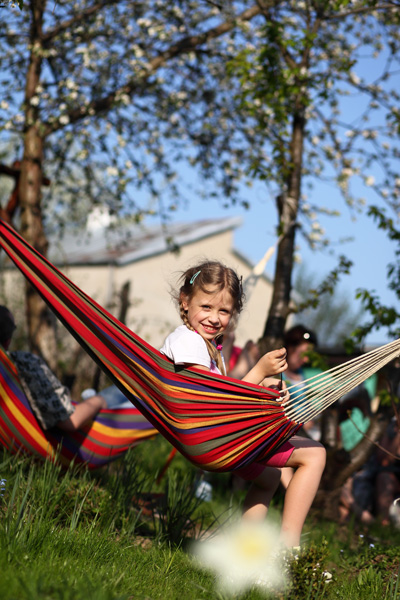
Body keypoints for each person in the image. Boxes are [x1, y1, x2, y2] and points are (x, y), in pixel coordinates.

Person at [159, 261, 326, 548]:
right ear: (184, 302)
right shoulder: (189, 343)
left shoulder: (203, 344)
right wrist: (259, 371)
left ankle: (243, 551)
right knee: (315, 454)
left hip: (212, 436)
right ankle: (289, 550)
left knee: (269, 478)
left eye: (224, 311)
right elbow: (216, 403)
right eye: (206, 307)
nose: (214, 318)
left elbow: (220, 396)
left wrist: (263, 388)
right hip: (212, 439)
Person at [0, 305, 108, 432]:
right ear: (8, 340)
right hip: (61, 437)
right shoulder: (23, 364)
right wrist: (99, 401)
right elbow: (69, 422)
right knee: (115, 395)